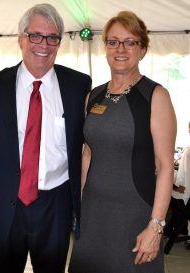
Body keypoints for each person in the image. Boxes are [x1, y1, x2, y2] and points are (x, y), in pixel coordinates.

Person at [0, 3, 91, 273]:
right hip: (8, 204)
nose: (44, 44)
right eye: (35, 35)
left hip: (56, 205)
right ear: (20, 38)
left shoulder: (79, 86)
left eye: (52, 37)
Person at [69, 11, 176, 273]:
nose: (121, 49)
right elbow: (87, 153)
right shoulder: (93, 96)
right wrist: (78, 208)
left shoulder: (156, 96)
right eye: (113, 41)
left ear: (142, 50)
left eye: (130, 42)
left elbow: (164, 167)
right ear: (105, 47)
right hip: (93, 216)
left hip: (134, 216)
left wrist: (156, 226)